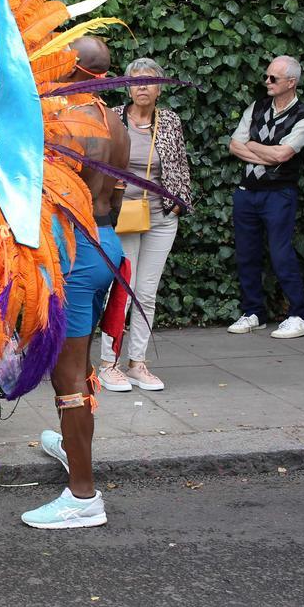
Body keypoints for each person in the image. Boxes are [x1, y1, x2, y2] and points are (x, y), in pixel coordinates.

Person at [21, 36, 128, 530]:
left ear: (76, 68)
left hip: (74, 248)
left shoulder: (66, 122)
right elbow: (118, 190)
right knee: (79, 368)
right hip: (105, 241)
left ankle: (83, 495)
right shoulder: (114, 119)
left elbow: (45, 195)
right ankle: (71, 447)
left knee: (68, 379)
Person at [100, 58, 194, 392]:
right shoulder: (112, 118)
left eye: (150, 81)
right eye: (136, 81)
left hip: (161, 216)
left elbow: (180, 165)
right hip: (123, 214)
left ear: (159, 87)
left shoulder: (169, 121)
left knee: (147, 292)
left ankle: (137, 363)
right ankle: (107, 364)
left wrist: (179, 203)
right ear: (127, 86)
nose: (143, 86)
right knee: (122, 291)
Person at [227, 55, 304, 337]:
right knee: (246, 255)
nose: (266, 81)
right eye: (267, 76)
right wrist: (268, 152)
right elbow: (234, 145)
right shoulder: (256, 107)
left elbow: (284, 154)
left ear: (291, 82)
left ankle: (301, 315)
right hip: (247, 194)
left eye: (273, 78)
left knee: (281, 254)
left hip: (279, 194)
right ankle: (254, 312)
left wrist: (252, 146)